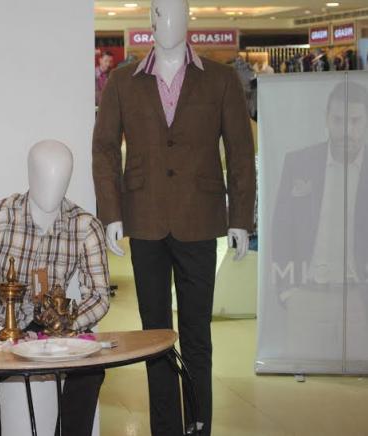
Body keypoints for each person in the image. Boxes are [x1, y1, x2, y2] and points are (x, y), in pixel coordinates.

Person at [92, 0, 256, 434]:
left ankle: (198, 425)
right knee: (154, 337)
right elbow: (104, 149)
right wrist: (111, 212)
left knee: (197, 335)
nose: (170, 21)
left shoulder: (220, 79)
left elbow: (240, 152)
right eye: (162, 13)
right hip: (144, 220)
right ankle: (164, 428)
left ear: (189, 19)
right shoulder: (123, 81)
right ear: (151, 19)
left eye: (178, 12)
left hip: (199, 219)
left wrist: (241, 217)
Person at [0, 140, 110, 436]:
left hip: (51, 321)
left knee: (91, 370)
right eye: (45, 176)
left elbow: (99, 295)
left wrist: (66, 323)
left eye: (61, 178)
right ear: (31, 175)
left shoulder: (85, 226)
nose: (53, 186)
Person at [272, 81, 368, 363]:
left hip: (361, 297)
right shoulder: (299, 162)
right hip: (307, 294)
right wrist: (288, 292)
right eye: (338, 120)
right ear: (327, 119)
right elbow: (281, 228)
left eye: (355, 121)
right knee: (303, 380)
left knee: (358, 384)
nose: (347, 130)